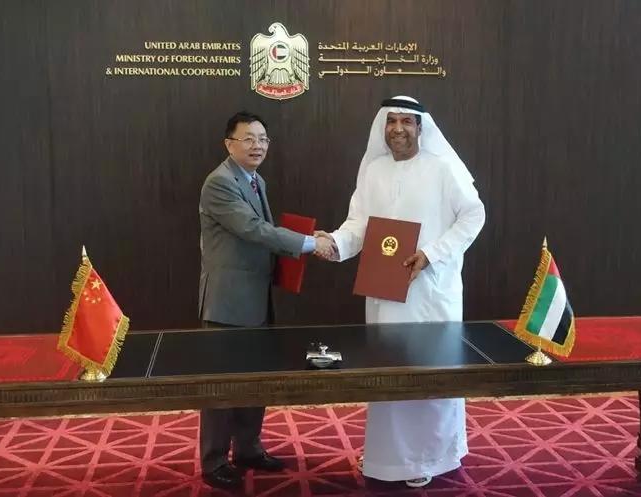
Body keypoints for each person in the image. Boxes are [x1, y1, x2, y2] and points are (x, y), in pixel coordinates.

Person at [316, 96, 486, 487]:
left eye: (406, 122)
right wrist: (334, 243)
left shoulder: (442, 168)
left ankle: (429, 457)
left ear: (420, 127)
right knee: (388, 372)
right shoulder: (373, 170)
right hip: (385, 294)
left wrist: (432, 254)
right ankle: (389, 456)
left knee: (428, 373)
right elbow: (358, 225)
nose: (398, 129)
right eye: (391, 121)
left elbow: (474, 214)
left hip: (429, 293)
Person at [198, 111, 334, 489]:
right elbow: (254, 230)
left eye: (263, 139)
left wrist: (306, 237)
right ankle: (214, 462)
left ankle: (247, 449)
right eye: (248, 139)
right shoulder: (219, 183)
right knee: (221, 386)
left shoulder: (256, 180)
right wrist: (308, 244)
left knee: (255, 380)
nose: (257, 146)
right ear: (229, 144)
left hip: (256, 299)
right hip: (227, 303)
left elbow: (267, 231)